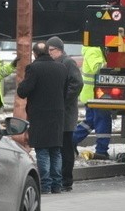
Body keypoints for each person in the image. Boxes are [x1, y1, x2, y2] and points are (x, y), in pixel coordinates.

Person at [17, 41, 68, 195]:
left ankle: (45, 185)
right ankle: (57, 185)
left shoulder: (33, 68)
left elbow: (23, 91)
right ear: (48, 52)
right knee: (55, 150)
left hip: (39, 114)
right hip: (58, 113)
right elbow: (64, 91)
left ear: (35, 54)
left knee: (42, 150)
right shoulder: (62, 68)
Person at [46, 36, 83, 192]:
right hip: (57, 114)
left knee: (66, 147)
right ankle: (59, 178)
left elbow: (77, 83)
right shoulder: (55, 64)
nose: (49, 53)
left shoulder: (67, 63)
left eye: (51, 50)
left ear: (59, 50)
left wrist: (63, 99)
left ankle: (66, 180)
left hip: (66, 115)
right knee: (58, 147)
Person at [73, 45, 112, 160]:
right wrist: (111, 63)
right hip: (94, 95)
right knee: (102, 121)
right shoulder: (93, 50)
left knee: (90, 122)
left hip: (93, 94)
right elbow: (96, 68)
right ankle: (101, 150)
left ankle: (70, 140)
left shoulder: (94, 50)